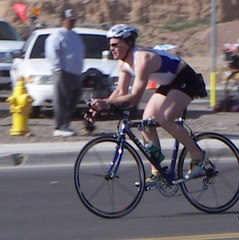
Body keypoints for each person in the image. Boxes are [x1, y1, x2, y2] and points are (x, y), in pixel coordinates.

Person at [88, 24, 207, 185]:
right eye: (110, 45)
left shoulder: (143, 59)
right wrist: (98, 107)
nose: (111, 48)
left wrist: (107, 102)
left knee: (165, 118)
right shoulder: (123, 64)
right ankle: (158, 171)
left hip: (185, 78)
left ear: (129, 43)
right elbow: (121, 92)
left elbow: (135, 97)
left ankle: (198, 156)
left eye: (116, 44)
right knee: (146, 124)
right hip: (169, 83)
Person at [45, 9, 85, 137]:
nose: (72, 22)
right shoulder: (57, 35)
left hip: (75, 73)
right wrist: (57, 68)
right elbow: (52, 52)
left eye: (73, 20)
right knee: (61, 100)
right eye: (69, 20)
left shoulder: (75, 35)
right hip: (63, 72)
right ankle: (59, 126)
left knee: (73, 99)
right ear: (62, 21)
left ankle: (66, 124)